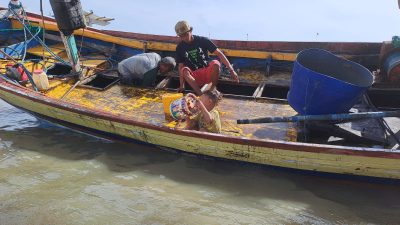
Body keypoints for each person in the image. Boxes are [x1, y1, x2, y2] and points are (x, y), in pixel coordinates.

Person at [174, 20, 239, 95]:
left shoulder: (203, 40)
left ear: (191, 30)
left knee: (216, 63)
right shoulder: (179, 47)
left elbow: (220, 54)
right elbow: (180, 65)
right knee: (184, 70)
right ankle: (200, 94)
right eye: (181, 36)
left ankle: (212, 89)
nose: (184, 38)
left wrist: (231, 70)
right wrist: (181, 85)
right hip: (194, 76)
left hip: (207, 73)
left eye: (185, 34)